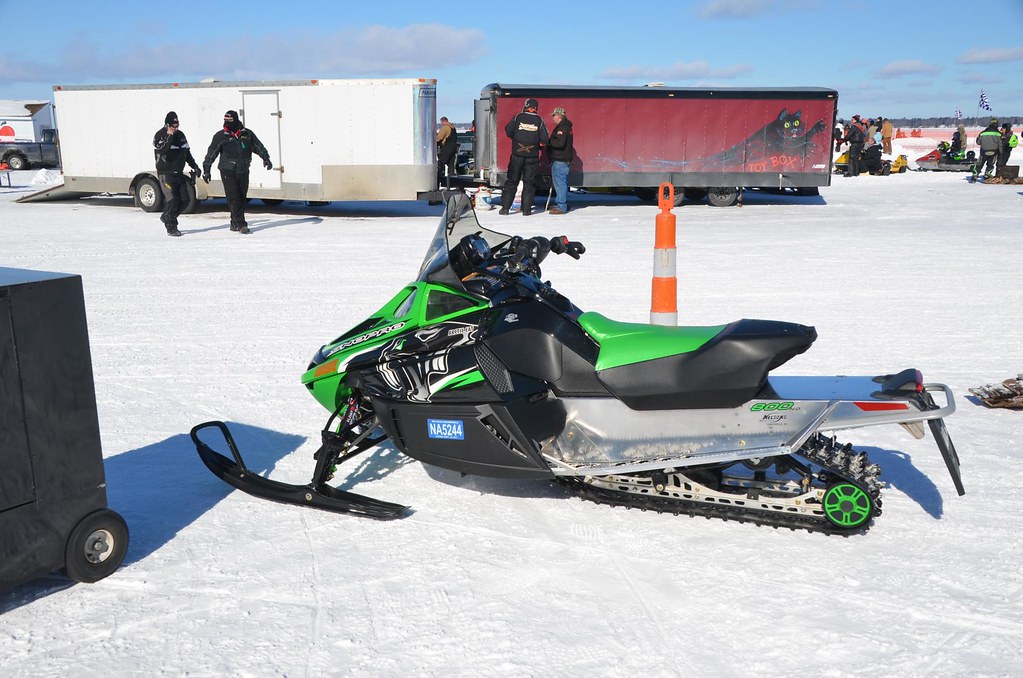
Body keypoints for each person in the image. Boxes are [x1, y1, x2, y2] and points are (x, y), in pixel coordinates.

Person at [202, 110, 273, 234]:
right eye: (225, 120)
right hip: (227, 170)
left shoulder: (247, 134)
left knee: (241, 197)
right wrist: (206, 169)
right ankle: (241, 224)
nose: (226, 123)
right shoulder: (220, 136)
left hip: (243, 169)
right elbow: (211, 153)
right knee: (234, 197)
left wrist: (266, 158)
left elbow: (258, 146)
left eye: (229, 120)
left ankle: (234, 222)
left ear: (235, 120)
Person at [153, 111, 201, 237]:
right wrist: (169, 136)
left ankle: (167, 216)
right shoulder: (160, 135)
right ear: (167, 125)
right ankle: (171, 227)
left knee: (185, 200)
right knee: (173, 201)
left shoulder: (181, 135)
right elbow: (161, 150)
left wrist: (194, 166)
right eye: (173, 126)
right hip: (166, 174)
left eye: (177, 125)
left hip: (178, 172)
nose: (175, 128)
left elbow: (187, 153)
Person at [499, 98, 549, 216]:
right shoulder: (539, 120)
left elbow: (508, 131)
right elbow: (545, 139)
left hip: (517, 156)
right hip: (532, 157)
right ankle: (526, 210)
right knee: (529, 183)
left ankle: (505, 208)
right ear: (535, 108)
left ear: (525, 106)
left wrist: (517, 138)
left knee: (512, 181)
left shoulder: (518, 117)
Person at [546, 107, 574, 214]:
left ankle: (561, 206)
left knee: (560, 183)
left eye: (554, 116)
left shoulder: (562, 128)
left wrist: (548, 142)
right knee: (561, 182)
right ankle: (560, 203)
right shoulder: (567, 127)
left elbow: (559, 143)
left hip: (560, 159)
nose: (553, 118)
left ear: (559, 116)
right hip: (563, 159)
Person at [436, 116, 458, 187]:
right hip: (453, 147)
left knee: (442, 161)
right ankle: (452, 179)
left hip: (447, 146)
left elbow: (439, 138)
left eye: (441, 122)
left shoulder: (445, 127)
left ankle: (439, 176)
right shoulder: (452, 128)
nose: (441, 124)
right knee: (450, 162)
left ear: (443, 121)